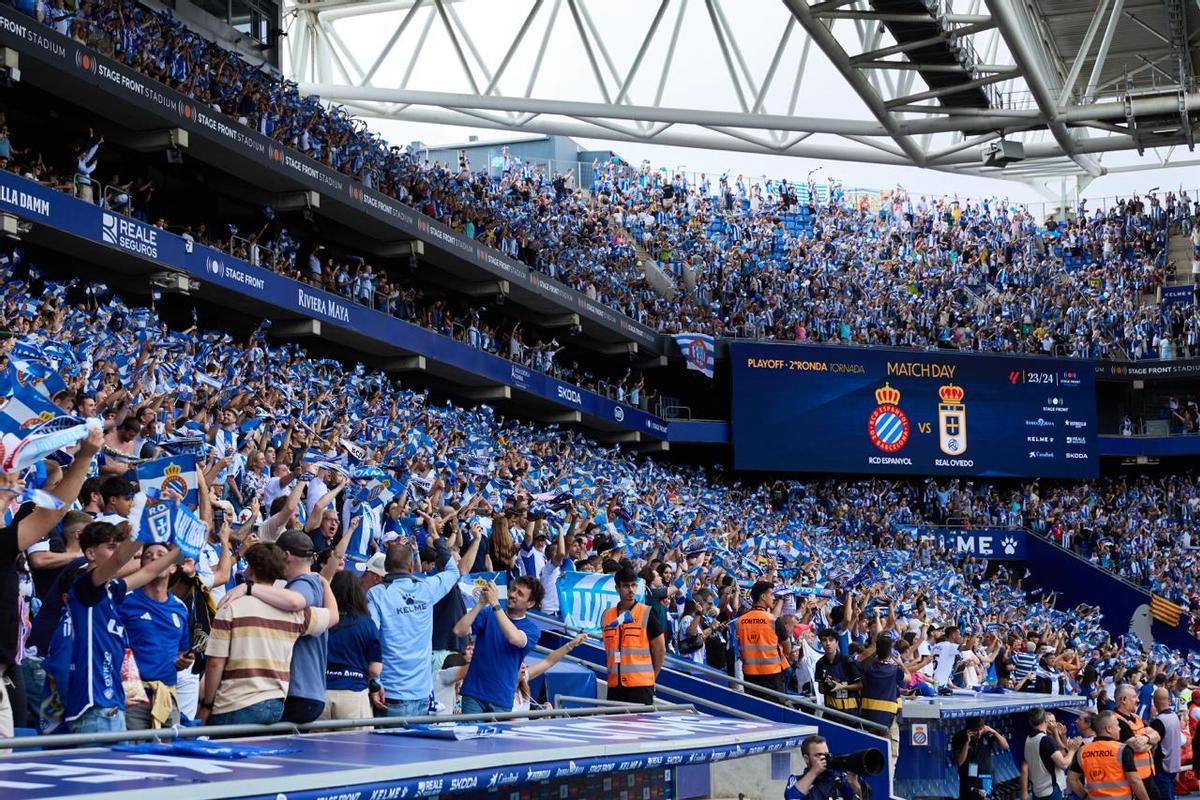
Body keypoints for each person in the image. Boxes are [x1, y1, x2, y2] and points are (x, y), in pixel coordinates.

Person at [198, 543, 335, 725]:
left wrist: (207, 704)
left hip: (233, 705)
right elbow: (333, 616)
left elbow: (215, 663)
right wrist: (324, 582)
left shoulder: (229, 607)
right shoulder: (295, 614)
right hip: (275, 706)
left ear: (251, 569)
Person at [64, 521, 181, 733]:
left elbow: (148, 573)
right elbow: (120, 560)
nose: (118, 553)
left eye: (118, 547)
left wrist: (182, 547)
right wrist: (146, 525)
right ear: (90, 553)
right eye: (111, 547)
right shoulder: (85, 586)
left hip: (113, 704)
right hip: (93, 707)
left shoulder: (113, 589)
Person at [368, 534, 480, 717]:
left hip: (391, 693)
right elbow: (453, 571)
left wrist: (375, 682)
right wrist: (438, 540)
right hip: (422, 696)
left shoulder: (376, 594)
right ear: (411, 567)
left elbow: (371, 636)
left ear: (386, 568)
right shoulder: (426, 588)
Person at [118, 542, 192, 730]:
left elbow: (181, 652)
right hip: (132, 696)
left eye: (161, 555)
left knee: (168, 757)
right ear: (143, 565)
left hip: (167, 695)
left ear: (173, 567)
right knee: (133, 757)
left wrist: (184, 660)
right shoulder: (125, 602)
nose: (154, 558)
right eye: (148, 556)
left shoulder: (180, 608)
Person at [452, 575, 542, 714]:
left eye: (519, 594)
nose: (512, 595)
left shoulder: (532, 629)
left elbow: (514, 638)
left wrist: (495, 604)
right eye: (513, 589)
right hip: (474, 693)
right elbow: (459, 630)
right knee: (468, 735)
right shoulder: (488, 613)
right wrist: (480, 604)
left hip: (501, 698)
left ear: (530, 603)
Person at [277, 529, 339, 723]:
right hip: (311, 692)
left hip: (297, 691)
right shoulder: (317, 583)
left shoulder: (302, 584)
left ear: (285, 555)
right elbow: (333, 617)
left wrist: (250, 588)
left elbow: (297, 601)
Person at [321, 570, 384, 722]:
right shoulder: (367, 624)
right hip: (354, 696)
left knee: (316, 745)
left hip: (320, 695)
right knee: (356, 745)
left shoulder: (322, 619)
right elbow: (375, 669)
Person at [600, 566, 665, 706]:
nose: (631, 590)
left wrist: (652, 677)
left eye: (633, 585)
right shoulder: (607, 616)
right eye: (626, 586)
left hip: (640, 687)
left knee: (640, 727)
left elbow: (660, 650)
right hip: (614, 686)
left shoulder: (647, 613)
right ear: (617, 588)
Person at [1068, 710, 1150, 800]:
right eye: (1117, 725)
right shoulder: (1122, 750)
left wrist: (1086, 796)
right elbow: (1134, 781)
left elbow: (1072, 779)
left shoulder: (1082, 751)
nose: (1120, 728)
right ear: (1108, 729)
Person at [860, 632, 905, 774]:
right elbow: (907, 677)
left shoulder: (868, 668)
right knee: (890, 758)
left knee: (871, 758)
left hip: (869, 720)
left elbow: (861, 662)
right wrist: (900, 663)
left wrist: (876, 653)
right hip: (889, 720)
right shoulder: (894, 670)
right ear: (891, 650)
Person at [737, 580, 788, 699]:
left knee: (754, 710)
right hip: (772, 675)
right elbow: (787, 646)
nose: (773, 598)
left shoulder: (740, 621)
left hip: (750, 675)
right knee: (775, 712)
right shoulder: (773, 620)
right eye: (771, 595)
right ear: (763, 597)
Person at [1020, 707, 1080, 800]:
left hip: (1038, 790)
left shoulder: (1029, 739)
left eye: (1054, 721)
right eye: (1050, 721)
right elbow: (1064, 764)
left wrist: (1060, 735)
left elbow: (1062, 753)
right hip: (1050, 790)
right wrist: (1073, 749)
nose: (1054, 724)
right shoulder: (1045, 740)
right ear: (1045, 721)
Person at [1115, 683, 1161, 799]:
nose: (1138, 700)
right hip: (1133, 778)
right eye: (1134, 697)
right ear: (1123, 699)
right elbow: (1138, 747)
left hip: (1147, 775)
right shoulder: (1116, 721)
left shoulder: (1136, 717)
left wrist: (1146, 738)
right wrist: (1151, 741)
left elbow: (1157, 735)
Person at [784, 734, 864, 800]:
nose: (823, 758)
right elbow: (792, 797)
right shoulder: (797, 780)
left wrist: (854, 783)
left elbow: (858, 798)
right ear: (806, 758)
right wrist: (814, 772)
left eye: (826, 754)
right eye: (818, 755)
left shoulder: (839, 779)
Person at [951, 716, 1010, 800]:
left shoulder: (987, 734)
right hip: (969, 781)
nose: (979, 733)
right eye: (975, 730)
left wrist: (994, 732)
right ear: (969, 729)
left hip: (986, 779)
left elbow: (1005, 746)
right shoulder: (959, 737)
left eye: (981, 729)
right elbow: (960, 761)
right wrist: (967, 742)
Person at [815, 627, 861, 714]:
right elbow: (820, 690)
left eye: (831, 640)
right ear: (821, 643)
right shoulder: (820, 664)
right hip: (830, 713)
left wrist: (842, 686)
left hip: (850, 713)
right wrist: (828, 683)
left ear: (837, 643)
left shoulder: (847, 661)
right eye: (824, 640)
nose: (828, 643)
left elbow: (860, 685)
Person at [1148, 687, 1182, 800]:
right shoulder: (1175, 717)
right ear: (1169, 700)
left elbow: (1151, 744)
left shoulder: (1158, 721)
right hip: (1174, 765)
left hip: (1162, 768)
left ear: (1155, 702)